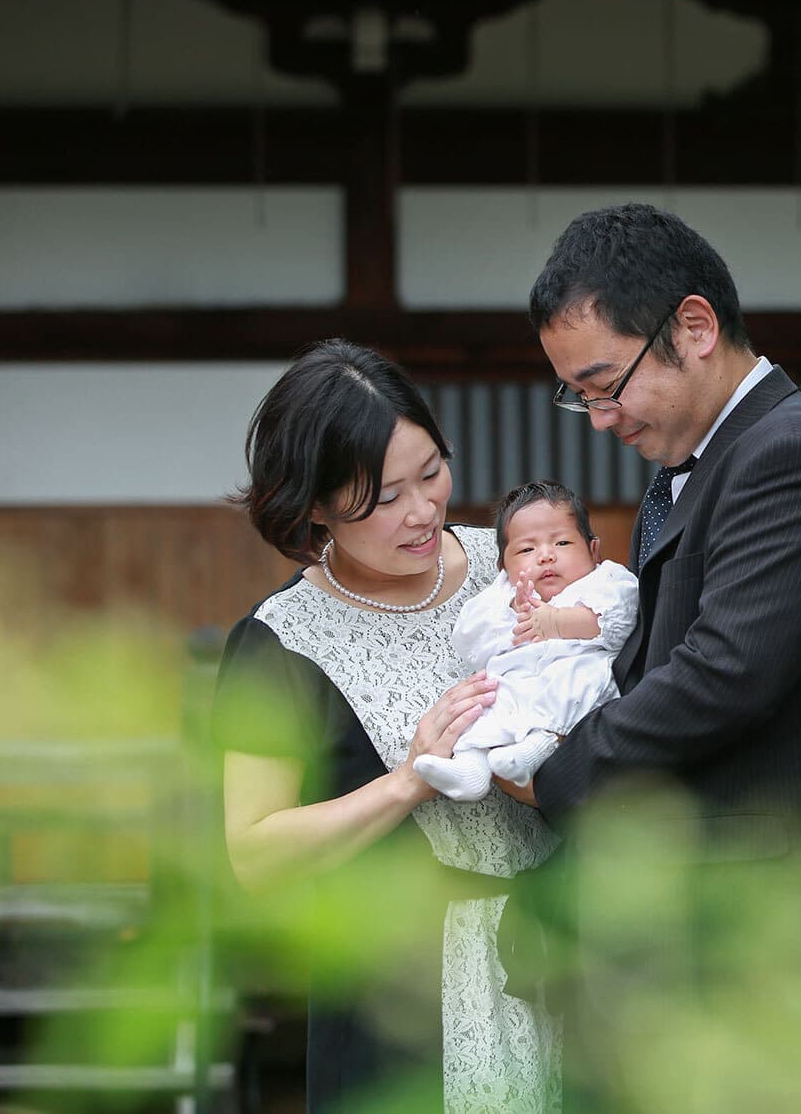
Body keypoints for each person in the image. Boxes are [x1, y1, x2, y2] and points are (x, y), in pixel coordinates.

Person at [498, 202, 801, 955]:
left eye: (606, 383)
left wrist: (559, 771)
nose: (599, 418)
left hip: (783, 923)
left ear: (695, 327)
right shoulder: (699, 464)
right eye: (579, 395)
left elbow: (724, 671)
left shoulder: (791, 455)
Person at [213, 339, 561, 1112]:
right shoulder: (280, 642)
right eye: (381, 498)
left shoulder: (511, 567)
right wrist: (406, 781)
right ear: (311, 505)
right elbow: (256, 852)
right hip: (396, 1004)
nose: (422, 511)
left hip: (561, 963)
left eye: (431, 472)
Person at [417, 481, 638, 803]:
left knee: (575, 684)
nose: (546, 556)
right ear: (503, 565)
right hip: (517, 680)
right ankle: (471, 767)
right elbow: (470, 643)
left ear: (593, 550)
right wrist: (508, 613)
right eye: (526, 550)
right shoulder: (501, 596)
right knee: (485, 699)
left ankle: (535, 748)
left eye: (562, 542)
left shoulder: (606, 580)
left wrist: (556, 622)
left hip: (578, 673)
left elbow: (619, 620)